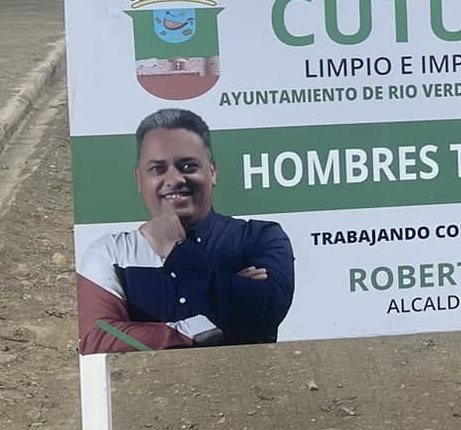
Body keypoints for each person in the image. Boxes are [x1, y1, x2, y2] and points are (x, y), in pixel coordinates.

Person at [76, 108, 296, 354]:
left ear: (212, 171)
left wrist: (175, 250)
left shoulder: (260, 237)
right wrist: (201, 327)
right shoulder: (110, 252)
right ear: (139, 180)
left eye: (189, 166)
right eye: (157, 169)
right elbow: (97, 338)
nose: (174, 179)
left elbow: (265, 313)